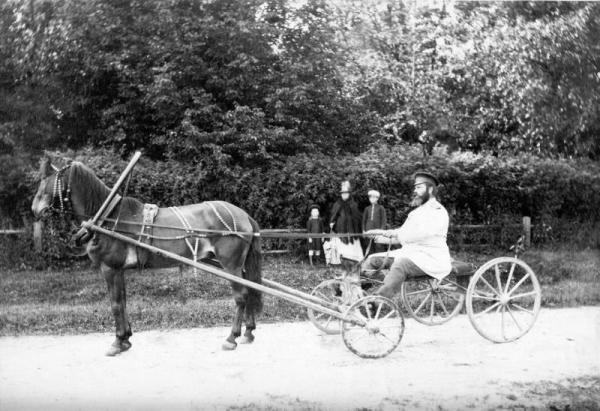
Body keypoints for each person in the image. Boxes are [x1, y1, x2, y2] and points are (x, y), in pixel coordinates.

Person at [362, 171, 451, 300]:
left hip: (431, 257)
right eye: (415, 187)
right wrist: (378, 237)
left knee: (401, 264)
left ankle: (377, 301)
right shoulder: (416, 212)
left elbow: (419, 234)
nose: (415, 191)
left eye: (419, 187)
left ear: (430, 189)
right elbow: (402, 234)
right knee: (372, 260)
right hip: (411, 254)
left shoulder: (437, 211)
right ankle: (354, 295)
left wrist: (392, 233)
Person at [329, 180, 363, 264]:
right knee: (342, 249)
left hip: (352, 231)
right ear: (341, 194)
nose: (344, 195)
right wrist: (332, 223)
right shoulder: (337, 204)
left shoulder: (353, 204)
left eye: (346, 193)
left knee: (353, 249)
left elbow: (358, 217)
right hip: (341, 230)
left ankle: (354, 262)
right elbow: (333, 216)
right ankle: (342, 263)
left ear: (349, 193)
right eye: (343, 193)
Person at [362, 189, 387, 254]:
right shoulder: (367, 208)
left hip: (377, 231)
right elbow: (364, 220)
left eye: (373, 197)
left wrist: (381, 231)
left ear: (377, 198)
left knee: (378, 246)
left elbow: (383, 220)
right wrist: (363, 230)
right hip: (368, 231)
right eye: (370, 197)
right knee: (369, 247)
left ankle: (379, 262)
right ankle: (368, 261)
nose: (371, 198)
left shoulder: (381, 208)